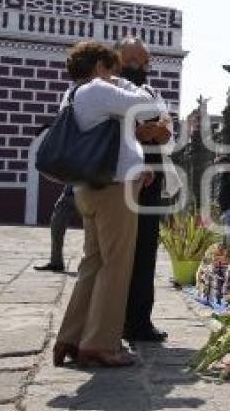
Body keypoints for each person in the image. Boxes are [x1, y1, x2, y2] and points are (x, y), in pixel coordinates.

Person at [53, 41, 163, 367]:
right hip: (113, 191)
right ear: (100, 67)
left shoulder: (73, 94)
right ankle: (101, 343)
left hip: (89, 188)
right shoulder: (98, 89)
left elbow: (111, 139)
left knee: (92, 264)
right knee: (116, 266)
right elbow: (146, 105)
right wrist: (126, 84)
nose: (118, 72)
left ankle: (71, 338)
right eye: (114, 66)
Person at [116, 37, 175, 343]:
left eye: (144, 62)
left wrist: (159, 127)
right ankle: (111, 320)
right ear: (118, 60)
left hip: (151, 187)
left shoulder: (150, 92)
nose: (140, 68)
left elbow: (166, 126)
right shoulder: (108, 89)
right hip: (119, 182)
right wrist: (139, 130)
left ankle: (139, 320)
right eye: (133, 61)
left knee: (145, 253)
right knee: (115, 255)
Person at [34, 184, 76, 272]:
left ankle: (99, 265)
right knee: (56, 225)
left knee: (95, 230)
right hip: (70, 193)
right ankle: (56, 262)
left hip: (90, 191)